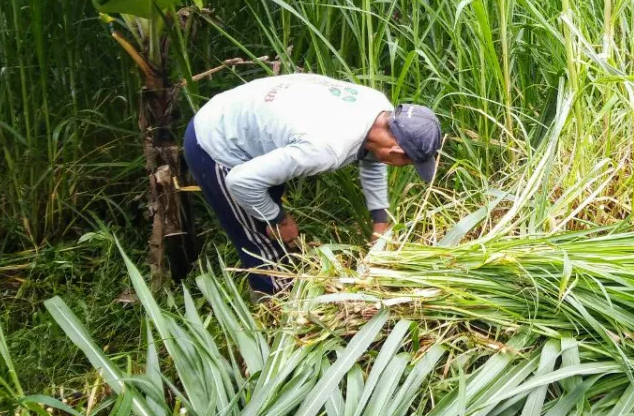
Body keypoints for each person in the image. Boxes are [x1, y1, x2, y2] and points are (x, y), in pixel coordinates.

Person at [183, 73, 442, 294]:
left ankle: (286, 265)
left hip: (248, 115)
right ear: (396, 151)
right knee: (262, 242)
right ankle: (276, 307)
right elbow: (241, 182)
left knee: (267, 197)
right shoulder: (327, 148)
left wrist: (380, 223)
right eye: (408, 163)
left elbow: (373, 160)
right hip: (217, 140)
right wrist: (278, 220)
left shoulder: (379, 108)